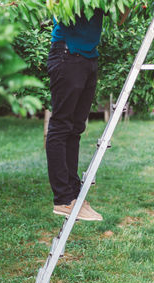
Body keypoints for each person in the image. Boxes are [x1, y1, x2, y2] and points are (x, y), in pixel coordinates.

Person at [46, 8, 129, 221]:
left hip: (89, 57)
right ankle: (63, 199)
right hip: (67, 54)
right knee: (61, 127)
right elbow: (56, 6)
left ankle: (74, 197)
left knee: (75, 129)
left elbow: (120, 19)